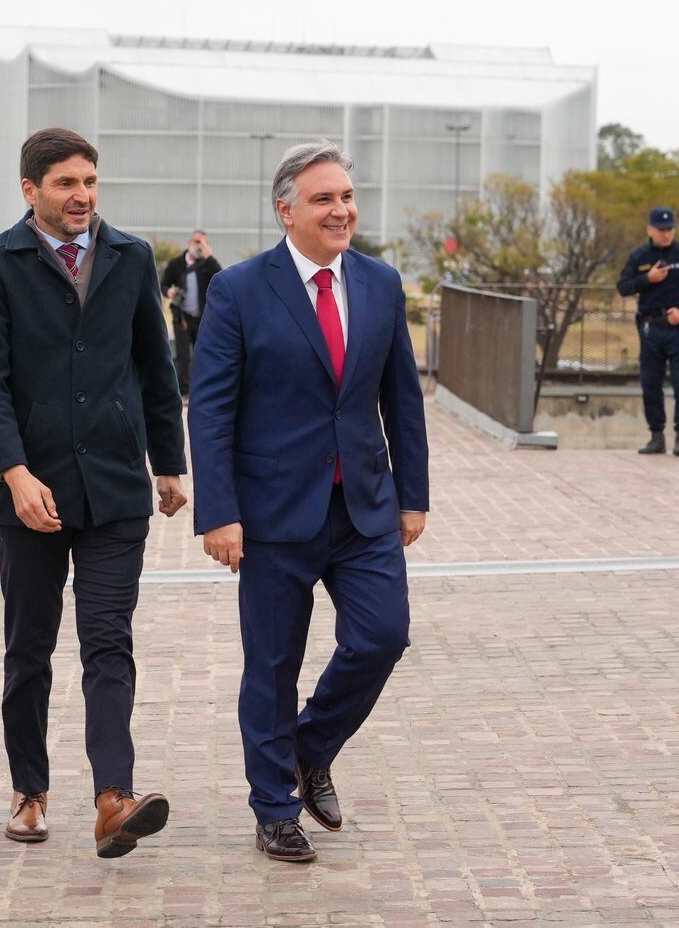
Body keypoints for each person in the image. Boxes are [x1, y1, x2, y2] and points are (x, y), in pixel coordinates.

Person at [188, 141, 429, 863]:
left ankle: (309, 745)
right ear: (285, 209)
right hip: (272, 514)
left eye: (348, 196)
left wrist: (412, 497)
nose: (342, 209)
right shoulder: (238, 290)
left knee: (382, 637)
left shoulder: (382, 284)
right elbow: (211, 409)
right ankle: (273, 810)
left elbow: (402, 400)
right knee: (271, 664)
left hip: (363, 506)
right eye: (324, 198)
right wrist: (218, 512)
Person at [0, 127, 188, 859]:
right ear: (32, 191)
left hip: (116, 488)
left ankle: (112, 797)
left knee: (108, 642)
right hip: (32, 491)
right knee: (29, 648)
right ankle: (30, 790)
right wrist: (14, 473)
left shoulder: (130, 257)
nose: (82, 195)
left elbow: (156, 369)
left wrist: (169, 464)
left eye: (89, 181)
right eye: (65, 183)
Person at [615, 207, 679, 457]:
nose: (666, 234)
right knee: (651, 384)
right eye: (661, 230)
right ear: (650, 229)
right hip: (650, 328)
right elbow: (623, 286)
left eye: (670, 229)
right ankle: (656, 436)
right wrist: (648, 279)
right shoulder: (639, 255)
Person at [158, 230, 221, 396]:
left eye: (203, 243)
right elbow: (163, 285)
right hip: (181, 317)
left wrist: (210, 258)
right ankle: (184, 392)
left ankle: (201, 390)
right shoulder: (176, 264)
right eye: (197, 242)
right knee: (183, 356)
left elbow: (220, 277)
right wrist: (169, 291)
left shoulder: (207, 264)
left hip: (203, 318)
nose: (199, 246)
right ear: (189, 242)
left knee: (203, 355)